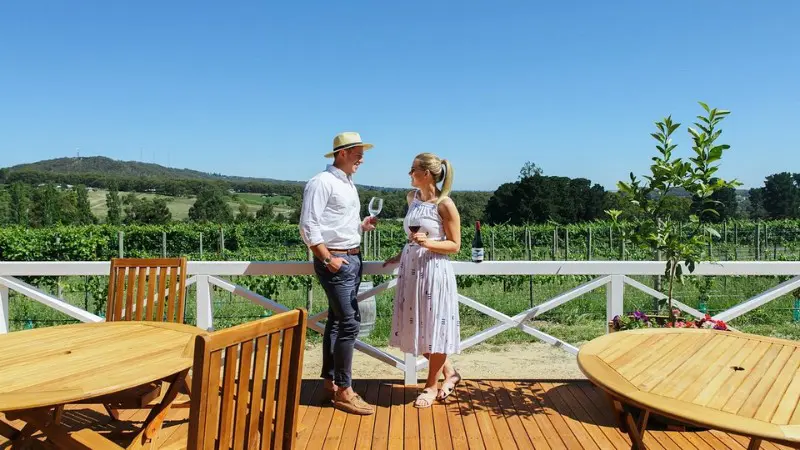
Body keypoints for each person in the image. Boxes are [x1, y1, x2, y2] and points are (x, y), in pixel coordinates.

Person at [299, 131, 377, 415]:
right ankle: (345, 390)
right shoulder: (321, 182)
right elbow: (308, 225)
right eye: (358, 153)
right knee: (350, 323)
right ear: (342, 153)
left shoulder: (347, 183)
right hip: (337, 261)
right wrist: (328, 258)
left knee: (335, 322)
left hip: (352, 258)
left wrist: (360, 226)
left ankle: (330, 384)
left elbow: (338, 223)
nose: (362, 159)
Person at [383, 152, 462, 408]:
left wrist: (428, 243)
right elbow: (412, 236)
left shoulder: (445, 204)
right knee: (416, 328)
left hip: (434, 272)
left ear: (426, 173)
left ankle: (430, 386)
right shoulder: (412, 199)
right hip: (411, 271)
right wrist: (399, 255)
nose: (409, 174)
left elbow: (455, 245)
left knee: (434, 329)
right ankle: (450, 372)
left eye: (413, 169)